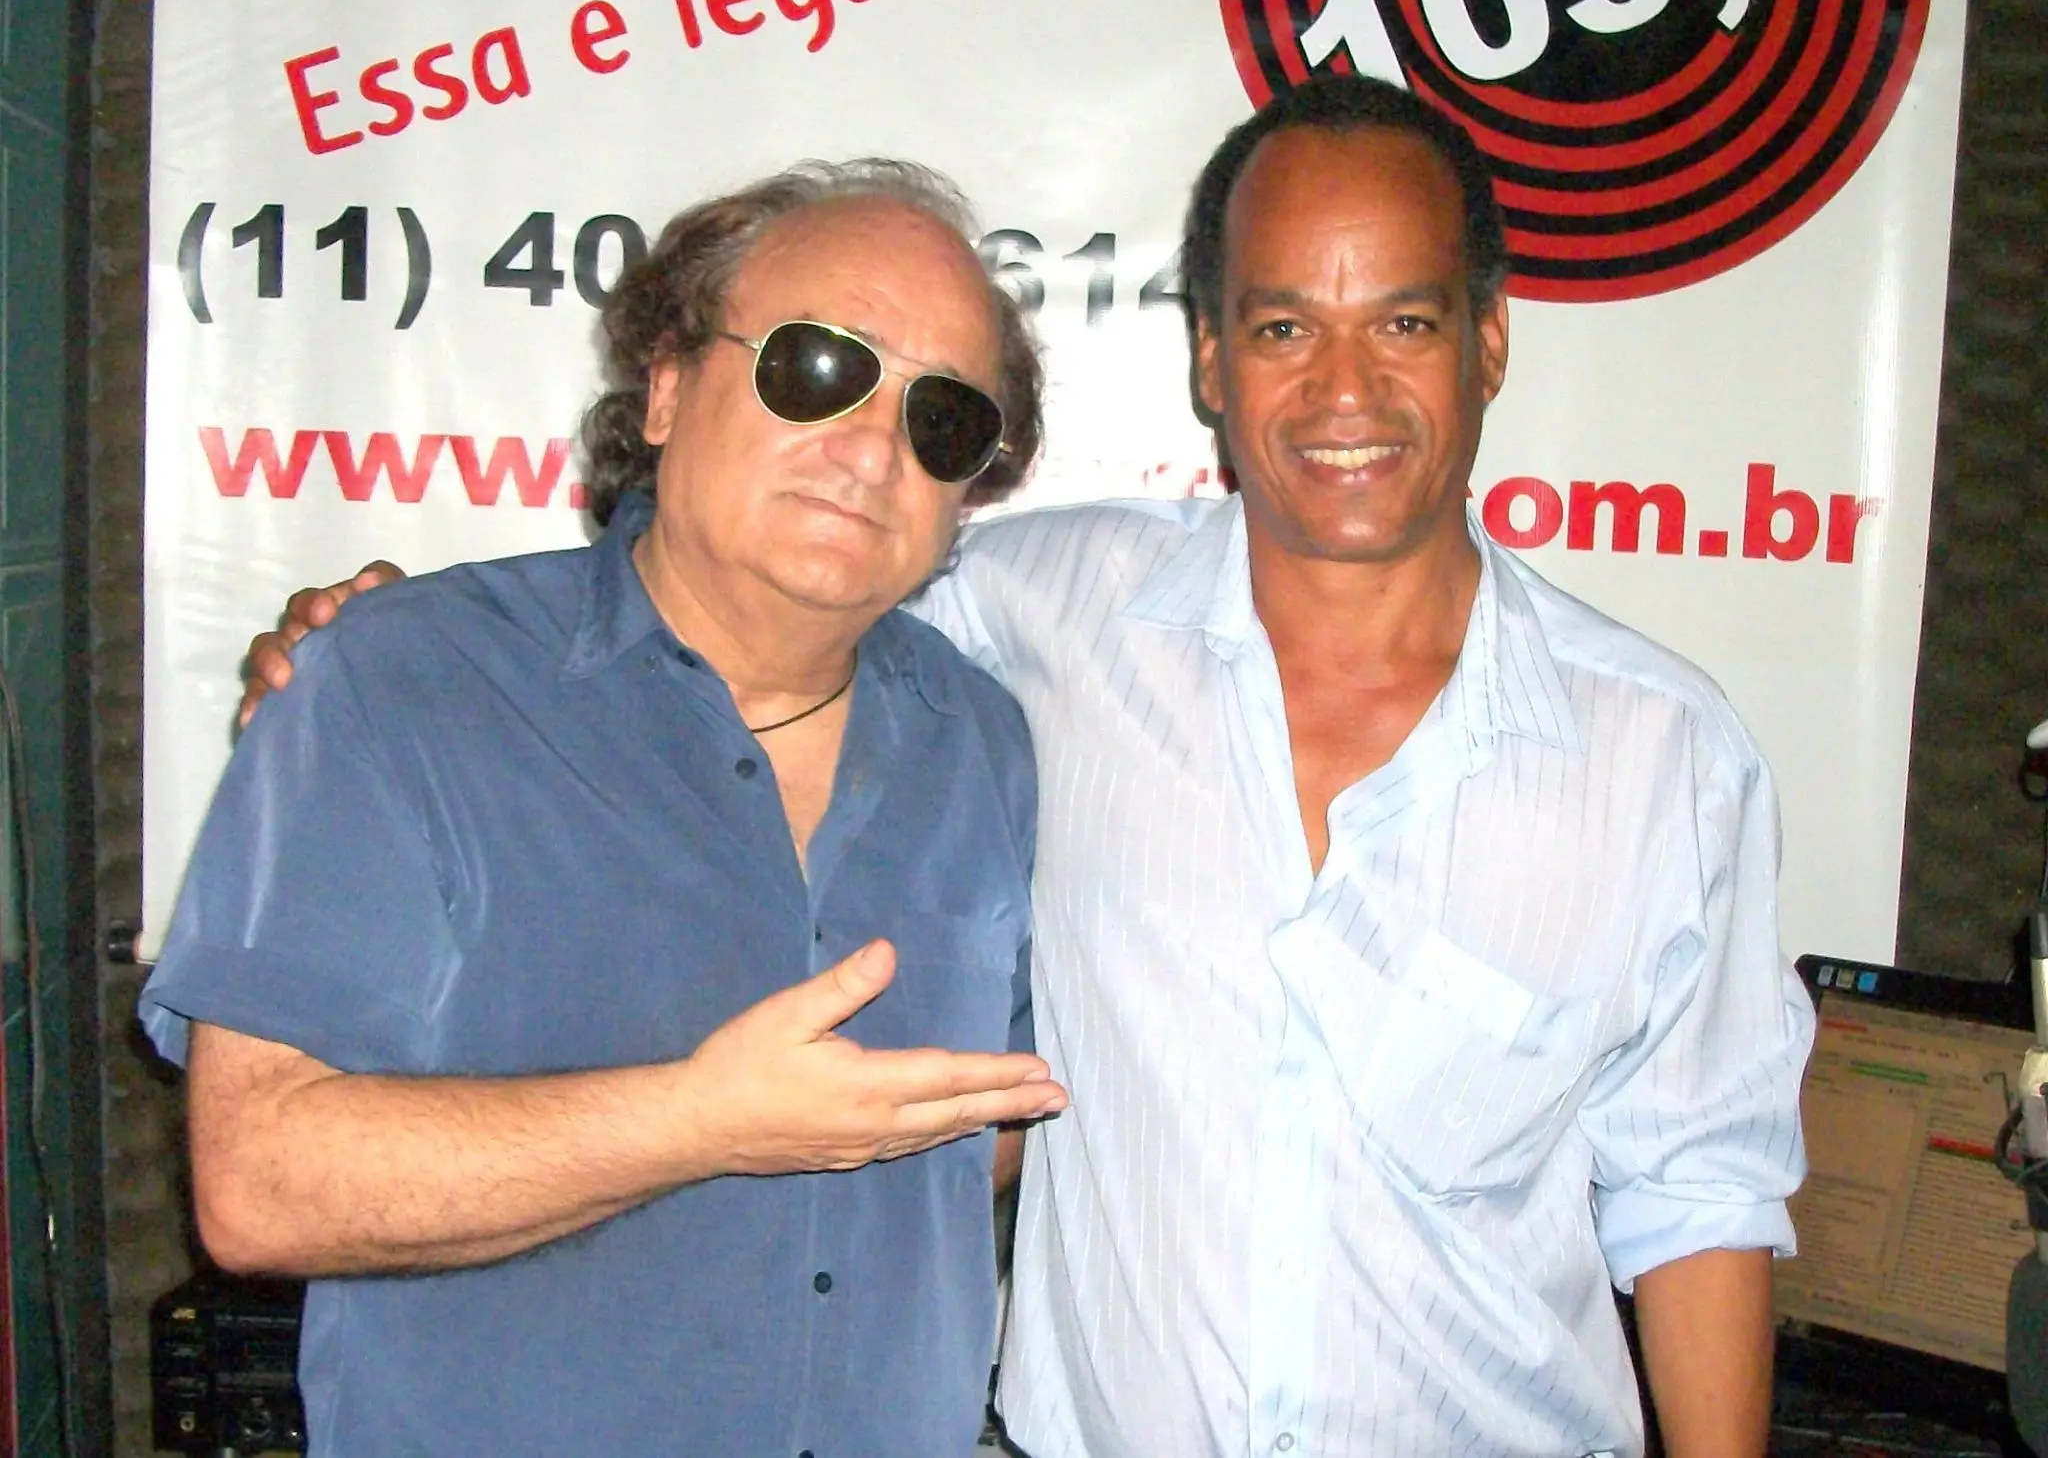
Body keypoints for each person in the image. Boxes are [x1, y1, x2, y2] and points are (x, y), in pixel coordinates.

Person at [241, 79, 1814, 1457]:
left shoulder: (1660, 753)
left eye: (1402, 322)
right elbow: (743, 584)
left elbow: (1699, 1189)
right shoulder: (1038, 623)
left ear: (1489, 342)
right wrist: (381, 645)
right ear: (1212, 362)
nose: (1345, 389)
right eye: (1284, 327)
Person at [141, 159, 1072, 1458]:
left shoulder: (985, 741)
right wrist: (700, 1122)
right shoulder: (404, 683)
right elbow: (260, 1183)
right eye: (818, 369)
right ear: (669, 385)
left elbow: (988, 1126)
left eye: (943, 419)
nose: (872, 448)